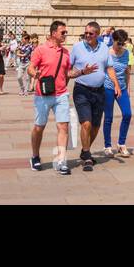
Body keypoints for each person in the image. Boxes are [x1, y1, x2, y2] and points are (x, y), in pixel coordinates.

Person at [30, 20, 90, 175]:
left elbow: (68, 73)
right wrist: (34, 74)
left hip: (61, 94)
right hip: (42, 95)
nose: (65, 35)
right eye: (63, 32)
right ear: (53, 33)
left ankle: (62, 160)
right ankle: (35, 156)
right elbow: (31, 67)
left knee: (63, 126)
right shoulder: (41, 50)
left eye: (66, 32)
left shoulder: (65, 53)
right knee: (39, 127)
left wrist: (83, 72)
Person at [69, 21, 109, 171]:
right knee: (86, 123)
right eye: (85, 33)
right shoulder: (77, 47)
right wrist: (80, 72)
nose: (87, 35)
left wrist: (117, 85)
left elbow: (109, 67)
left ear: (97, 34)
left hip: (99, 91)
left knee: (96, 126)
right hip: (82, 90)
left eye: (90, 33)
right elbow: (67, 69)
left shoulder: (105, 48)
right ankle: (87, 156)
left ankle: (85, 150)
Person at [102, 29, 133, 158]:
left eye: (122, 43)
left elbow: (127, 72)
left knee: (127, 114)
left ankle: (121, 143)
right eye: (118, 43)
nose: (120, 46)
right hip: (108, 88)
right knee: (108, 117)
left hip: (122, 88)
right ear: (113, 40)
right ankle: (107, 146)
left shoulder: (126, 53)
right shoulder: (106, 53)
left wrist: (128, 88)